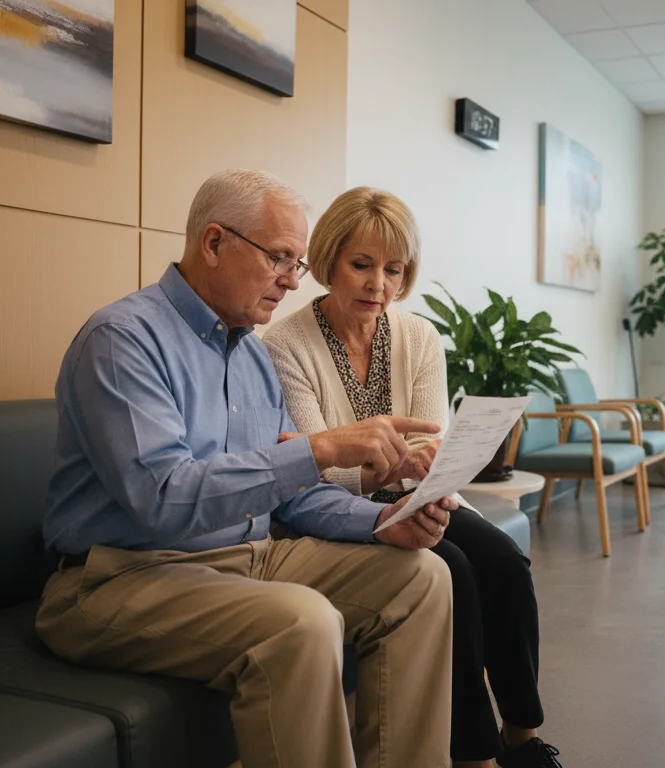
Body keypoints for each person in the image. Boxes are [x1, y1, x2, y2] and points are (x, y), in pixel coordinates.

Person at [36, 169, 460, 768]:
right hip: (118, 577)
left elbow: (287, 498)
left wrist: (381, 521)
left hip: (244, 559)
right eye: (281, 259)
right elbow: (163, 496)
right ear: (213, 244)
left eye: (298, 264)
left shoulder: (253, 356)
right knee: (303, 622)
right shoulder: (123, 339)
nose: (292, 281)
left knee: (421, 578)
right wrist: (320, 449)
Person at [264, 187, 562, 768]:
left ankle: (522, 739)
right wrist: (386, 466)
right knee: (452, 573)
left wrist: (422, 466)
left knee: (503, 561)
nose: (379, 284)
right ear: (327, 259)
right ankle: (474, 756)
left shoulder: (419, 336)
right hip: (336, 517)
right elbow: (316, 462)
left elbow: (429, 437)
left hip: (418, 497)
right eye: (362, 265)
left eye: (393, 270)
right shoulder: (284, 345)